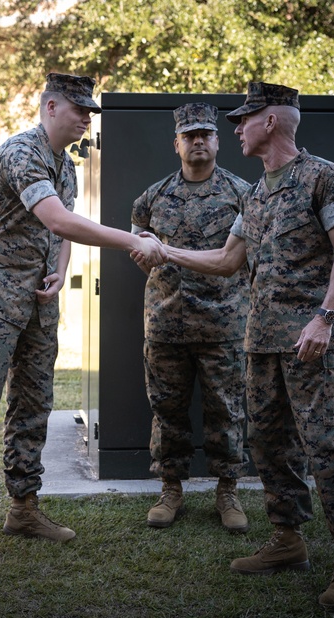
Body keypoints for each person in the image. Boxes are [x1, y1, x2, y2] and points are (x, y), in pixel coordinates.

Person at [136, 82, 334, 611]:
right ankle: (288, 540)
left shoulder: (323, 176)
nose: (236, 129)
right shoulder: (255, 193)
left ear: (270, 121)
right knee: (271, 446)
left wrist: (324, 318)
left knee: (329, 447)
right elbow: (227, 261)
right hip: (261, 342)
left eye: (243, 120)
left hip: (310, 342)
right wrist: (165, 251)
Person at [0, 73, 165, 548]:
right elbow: (57, 217)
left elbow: (60, 234)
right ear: (49, 107)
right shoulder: (21, 152)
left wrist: (61, 272)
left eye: (90, 112)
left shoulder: (67, 167)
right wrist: (131, 241)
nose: (86, 118)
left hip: (39, 303)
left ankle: (23, 508)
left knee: (34, 405)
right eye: (78, 109)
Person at [130, 102, 251, 532]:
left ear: (218, 141)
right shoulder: (153, 197)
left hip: (225, 325)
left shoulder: (242, 194)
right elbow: (139, 245)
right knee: (167, 410)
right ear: (176, 144)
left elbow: (246, 259)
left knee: (228, 409)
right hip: (165, 323)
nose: (198, 141)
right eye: (190, 135)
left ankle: (228, 491)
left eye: (205, 134)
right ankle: (171, 490)